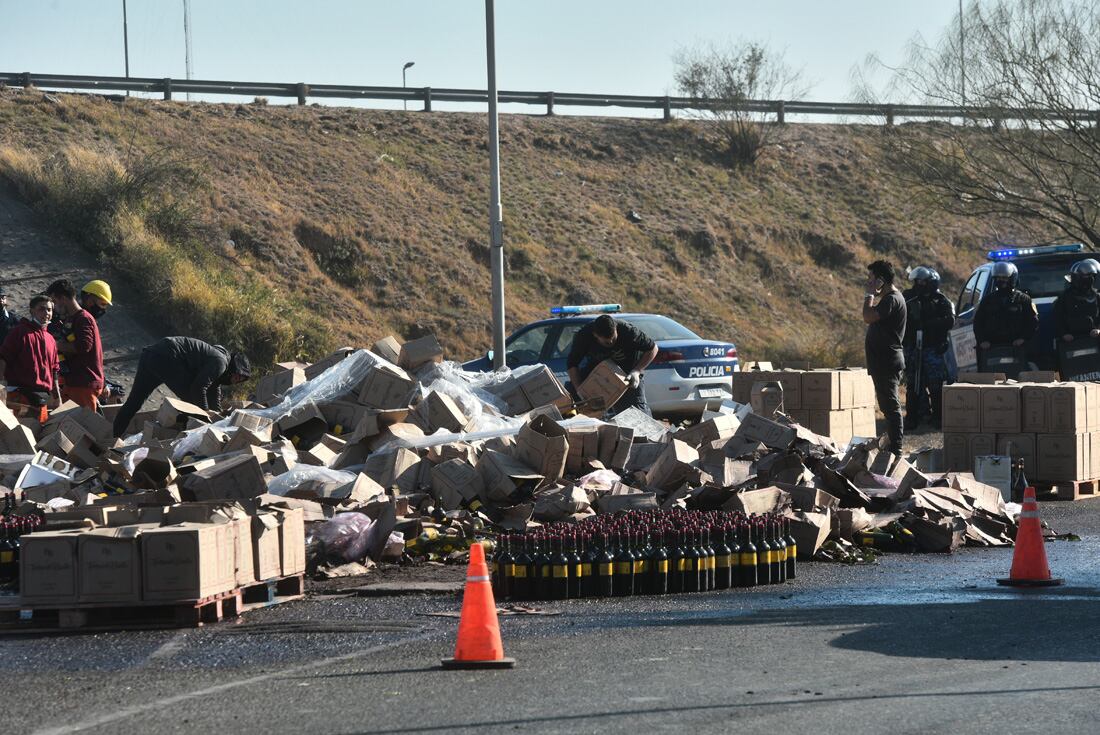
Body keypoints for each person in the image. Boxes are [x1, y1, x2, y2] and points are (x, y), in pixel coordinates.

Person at [112, 337, 251, 438]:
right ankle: (179, 439)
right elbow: (199, 388)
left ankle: (113, 438)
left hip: (152, 355)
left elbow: (214, 391)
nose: (236, 380)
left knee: (134, 402)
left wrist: (218, 416)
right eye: (238, 376)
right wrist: (206, 414)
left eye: (241, 380)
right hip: (167, 358)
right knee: (191, 401)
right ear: (233, 368)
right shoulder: (220, 363)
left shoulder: (218, 362)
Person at [566, 314, 658, 416]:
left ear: (616, 329)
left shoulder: (628, 330)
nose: (610, 342)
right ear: (595, 336)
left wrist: (637, 371)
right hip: (599, 375)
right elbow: (572, 363)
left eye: (613, 339)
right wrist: (580, 390)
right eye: (606, 342)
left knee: (637, 414)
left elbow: (653, 348)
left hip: (628, 376)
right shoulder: (584, 335)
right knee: (573, 396)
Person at [862, 260, 907, 456]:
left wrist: (869, 294)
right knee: (887, 405)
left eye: (871, 279)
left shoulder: (892, 299)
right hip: (883, 362)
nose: (868, 282)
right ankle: (892, 445)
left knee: (891, 406)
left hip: (888, 362)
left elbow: (868, 316)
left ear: (881, 280)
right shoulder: (890, 299)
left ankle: (896, 449)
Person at [903, 266, 956, 431]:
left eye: (923, 281)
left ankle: (938, 418)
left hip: (933, 348)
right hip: (913, 348)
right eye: (917, 281)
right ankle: (912, 417)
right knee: (913, 384)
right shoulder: (907, 297)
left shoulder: (941, 300)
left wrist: (928, 324)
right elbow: (897, 315)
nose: (919, 284)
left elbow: (950, 320)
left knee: (935, 385)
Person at [44, 279, 105, 412]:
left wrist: (55, 344)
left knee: (83, 428)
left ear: (63, 298)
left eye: (54, 300)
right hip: (75, 383)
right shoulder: (72, 319)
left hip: (84, 384)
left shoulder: (83, 318)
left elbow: (84, 346)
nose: (53, 305)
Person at [0, 294, 61, 423]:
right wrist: (1, 387)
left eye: (49, 309)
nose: (46, 313)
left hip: (42, 398)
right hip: (20, 397)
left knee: (38, 436)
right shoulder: (19, 332)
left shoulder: (50, 339)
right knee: (20, 437)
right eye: (41, 309)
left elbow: (55, 370)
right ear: (32, 311)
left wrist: (57, 397)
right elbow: (3, 358)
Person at [973, 261, 1037, 375]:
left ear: (1012, 278)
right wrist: (982, 341)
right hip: (991, 348)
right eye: (998, 278)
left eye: (1004, 278)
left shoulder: (1023, 300)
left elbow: (1032, 322)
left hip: (1016, 347)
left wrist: (1023, 338)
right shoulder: (987, 301)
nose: (1001, 281)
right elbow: (978, 323)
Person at [1053, 259, 1100, 343]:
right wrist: (1064, 334)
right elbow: (1058, 318)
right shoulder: (1064, 297)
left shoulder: (1097, 296)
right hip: (1071, 339)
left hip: (1094, 338)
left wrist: (1098, 329)